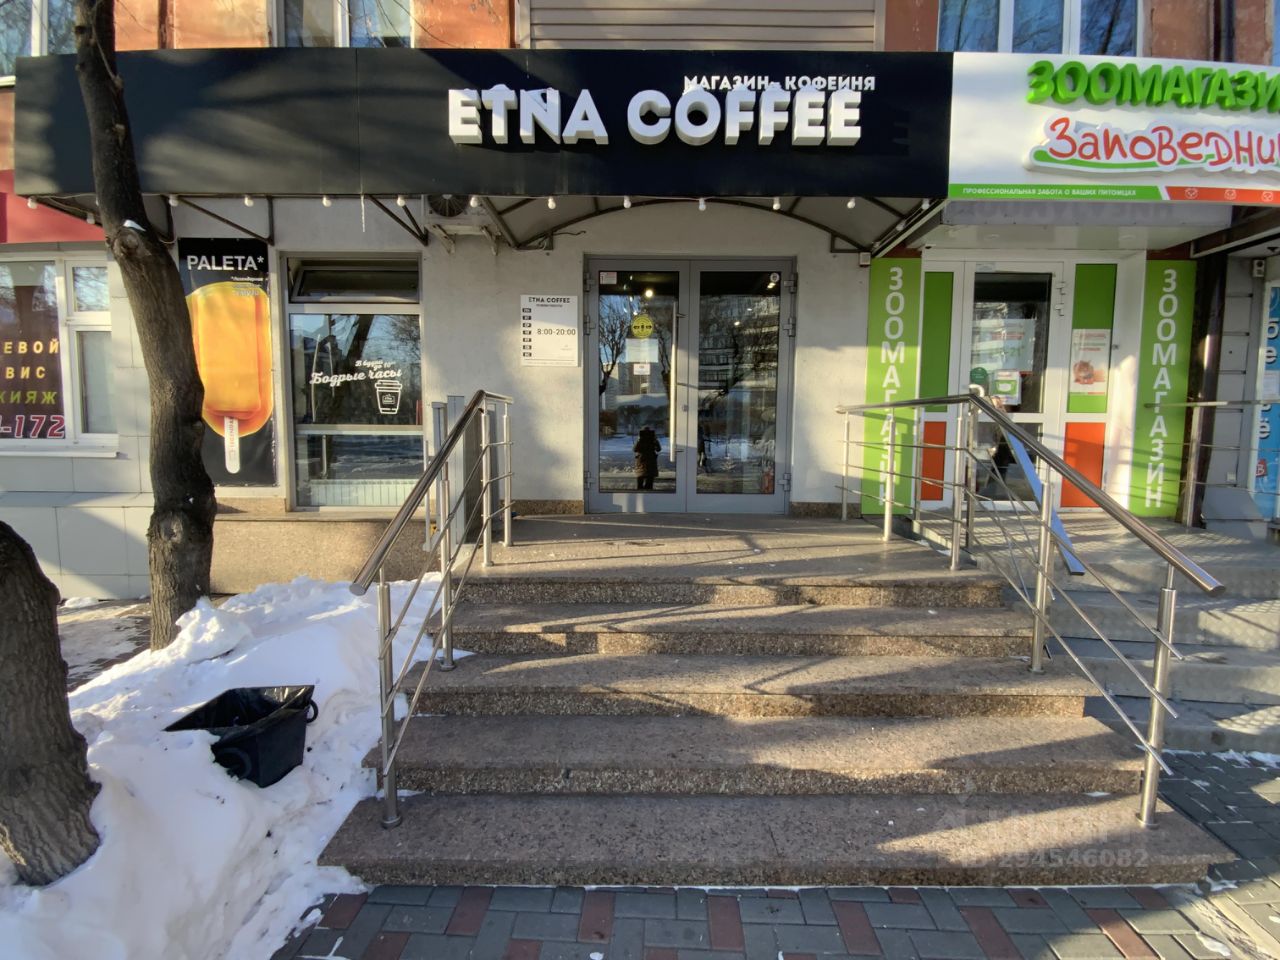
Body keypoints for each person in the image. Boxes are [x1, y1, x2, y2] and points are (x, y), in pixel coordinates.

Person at [634, 425, 660, 490]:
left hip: (647, 462)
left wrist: (655, 440)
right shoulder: (640, 440)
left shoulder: (653, 440)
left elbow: (658, 449)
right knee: (642, 481)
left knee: (648, 481)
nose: (646, 434)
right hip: (643, 462)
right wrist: (639, 440)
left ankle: (645, 493)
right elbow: (635, 449)